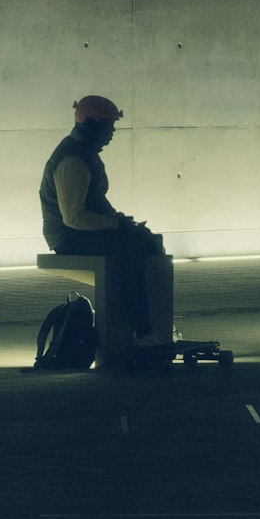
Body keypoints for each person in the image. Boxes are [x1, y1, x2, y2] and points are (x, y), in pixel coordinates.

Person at [40, 95, 165, 339]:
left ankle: (145, 320)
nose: (112, 132)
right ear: (92, 125)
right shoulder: (72, 161)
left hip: (77, 232)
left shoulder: (84, 153)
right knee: (132, 248)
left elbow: (95, 203)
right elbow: (74, 217)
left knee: (145, 240)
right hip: (69, 237)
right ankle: (138, 322)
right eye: (109, 126)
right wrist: (117, 225)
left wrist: (120, 222)